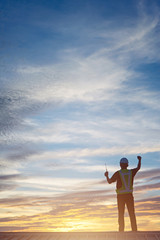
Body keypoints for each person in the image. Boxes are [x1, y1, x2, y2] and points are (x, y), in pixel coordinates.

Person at [104, 156, 141, 232]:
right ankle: (134, 230)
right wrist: (139, 160)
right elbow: (138, 167)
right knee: (132, 213)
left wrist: (107, 176)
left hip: (120, 197)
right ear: (127, 165)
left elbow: (109, 181)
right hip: (129, 196)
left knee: (121, 214)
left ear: (120, 165)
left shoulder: (118, 173)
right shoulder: (131, 172)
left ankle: (121, 231)